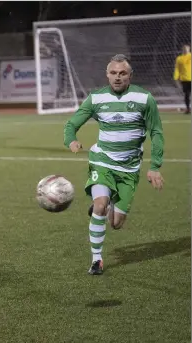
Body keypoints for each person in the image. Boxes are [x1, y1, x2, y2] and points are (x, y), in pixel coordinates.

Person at [63, 54, 165, 275]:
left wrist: (155, 166)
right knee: (99, 205)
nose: (117, 77)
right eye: (113, 73)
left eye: (122, 73)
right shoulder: (96, 98)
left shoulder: (144, 98)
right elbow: (71, 124)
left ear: (130, 75)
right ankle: (96, 260)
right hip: (103, 162)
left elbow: (156, 132)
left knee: (116, 223)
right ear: (107, 74)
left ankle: (107, 207)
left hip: (129, 169)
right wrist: (70, 139)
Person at [173, 44, 191, 114]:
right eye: (184, 49)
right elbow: (177, 68)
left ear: (189, 49)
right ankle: (188, 108)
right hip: (184, 79)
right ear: (182, 50)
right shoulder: (179, 58)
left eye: (187, 49)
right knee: (187, 94)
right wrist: (176, 77)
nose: (185, 50)